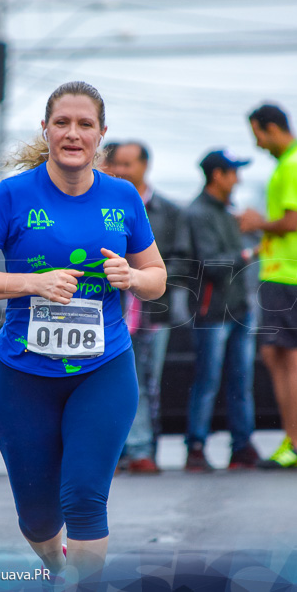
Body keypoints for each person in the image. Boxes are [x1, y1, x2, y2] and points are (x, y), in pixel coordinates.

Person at [0, 81, 166, 583]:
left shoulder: (122, 196)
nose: (73, 133)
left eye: (84, 124)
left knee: (86, 498)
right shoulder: (11, 195)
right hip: (23, 372)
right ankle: (57, 568)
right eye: (62, 123)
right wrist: (32, 282)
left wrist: (133, 279)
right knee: (39, 515)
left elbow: (156, 279)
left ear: (101, 135)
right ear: (44, 129)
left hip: (104, 368)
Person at [239, 104, 297, 470]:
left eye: (257, 134)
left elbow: (291, 222)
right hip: (290, 271)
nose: (258, 145)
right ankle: (295, 440)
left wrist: (257, 222)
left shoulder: (294, 164)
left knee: (291, 356)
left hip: (290, 275)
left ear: (271, 128)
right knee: (277, 354)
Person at [179, 149, 259, 472]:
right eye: (233, 172)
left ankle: (242, 446)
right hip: (212, 312)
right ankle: (195, 447)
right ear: (218, 176)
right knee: (208, 381)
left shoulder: (226, 212)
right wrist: (246, 254)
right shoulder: (197, 213)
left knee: (241, 381)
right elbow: (212, 265)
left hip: (238, 308)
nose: (237, 179)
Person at [108, 141, 182, 475]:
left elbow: (180, 260)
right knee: (123, 380)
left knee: (151, 382)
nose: (122, 171)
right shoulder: (107, 206)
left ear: (145, 166)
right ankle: (132, 450)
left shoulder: (168, 210)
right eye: (116, 164)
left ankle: (146, 449)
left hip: (155, 310)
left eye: (128, 164)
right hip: (115, 311)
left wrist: (146, 274)